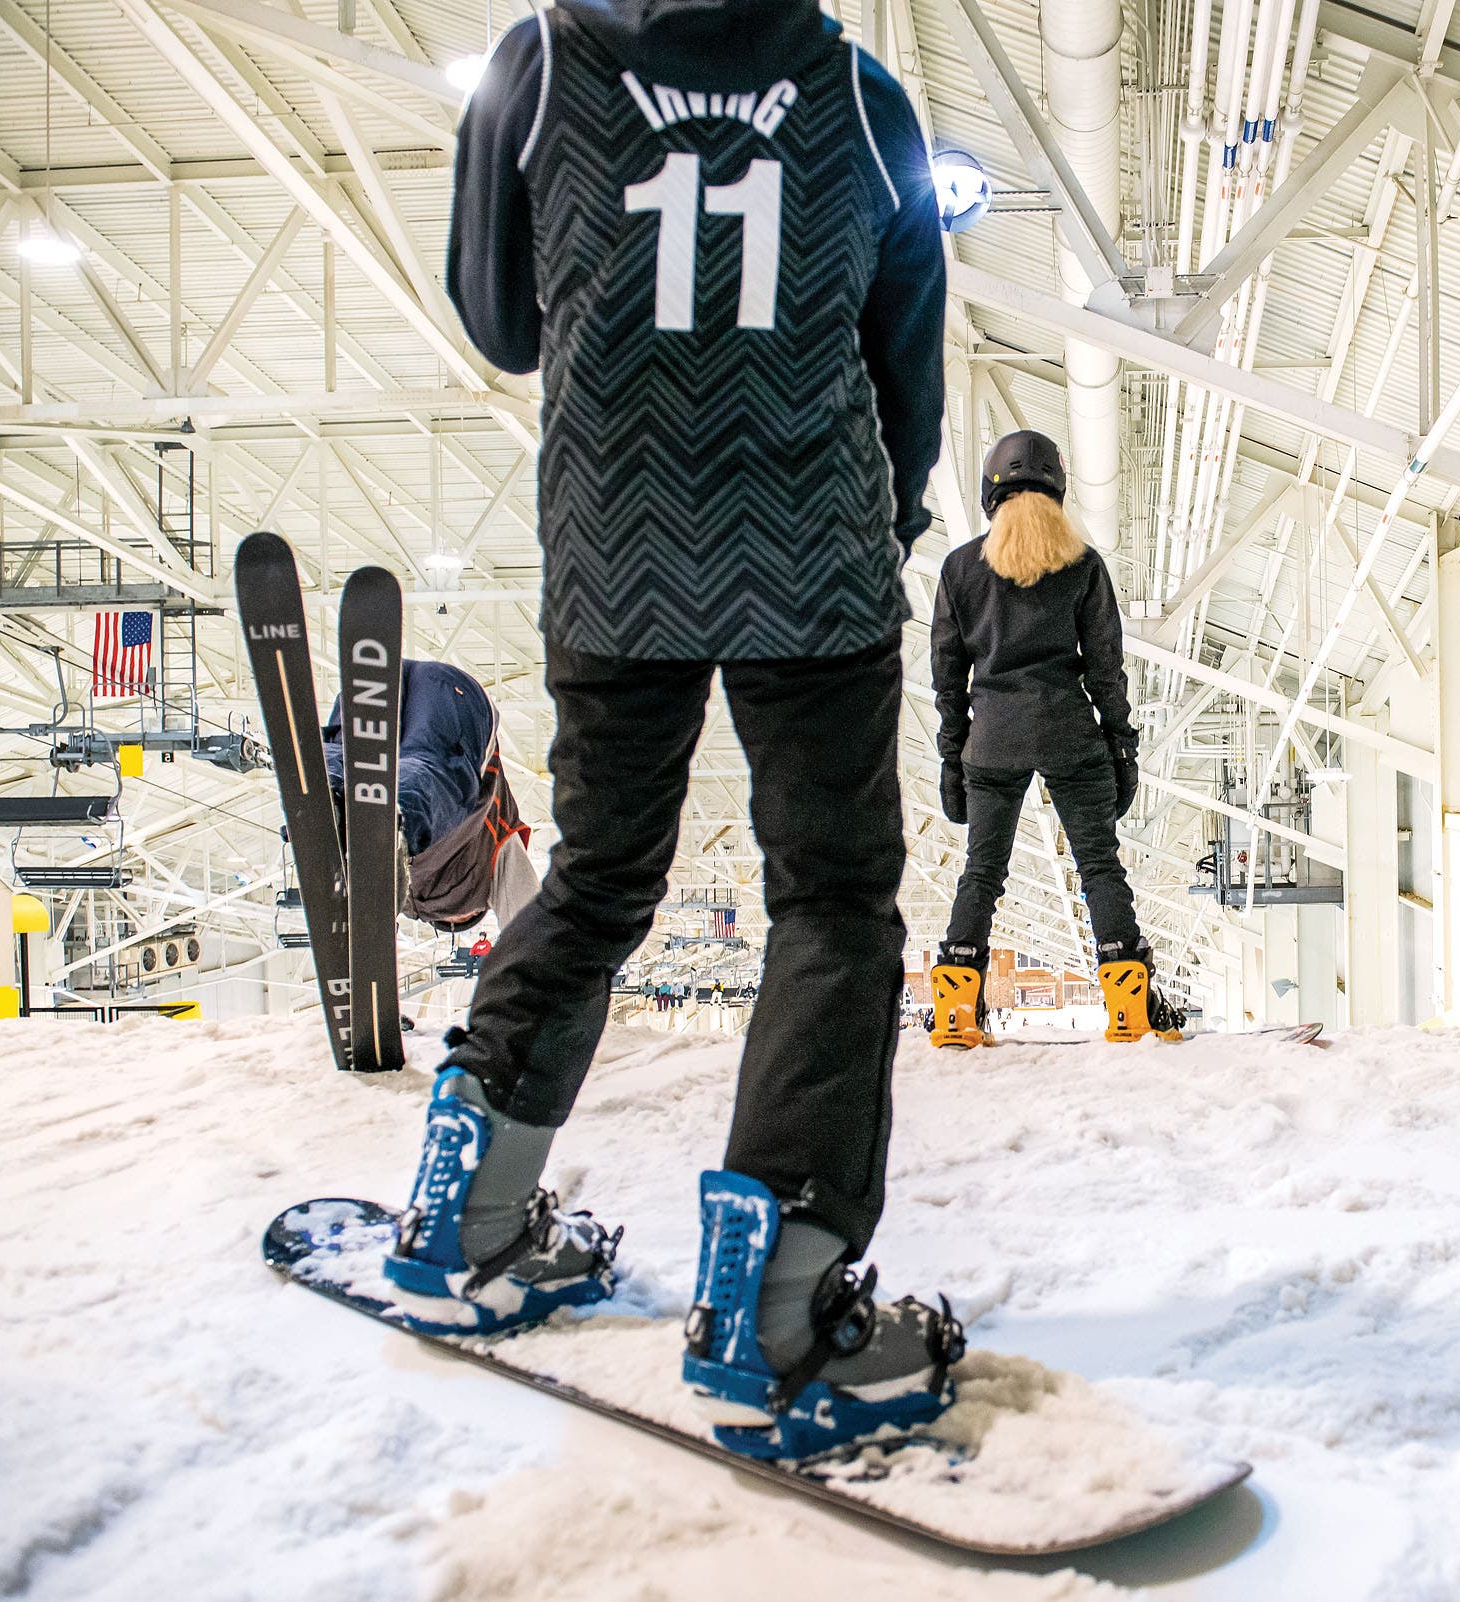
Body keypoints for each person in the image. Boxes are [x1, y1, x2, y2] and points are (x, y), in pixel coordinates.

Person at [377, 0, 962, 1462]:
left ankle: (470, 1214)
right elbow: (911, 362)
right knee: (829, 901)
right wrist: (875, 521)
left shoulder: (539, 60)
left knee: (599, 875)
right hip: (809, 553)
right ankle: (780, 1308)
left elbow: (505, 324)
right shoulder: (860, 92)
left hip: (615, 542)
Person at [928, 431, 1187, 1048]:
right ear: (1058, 490)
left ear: (992, 492)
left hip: (991, 740)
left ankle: (955, 1017)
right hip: (1070, 732)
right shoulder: (1083, 564)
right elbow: (1105, 668)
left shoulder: (961, 568)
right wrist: (1122, 745)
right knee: (1099, 866)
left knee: (981, 874)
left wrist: (951, 754)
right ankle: (1128, 1013)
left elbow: (946, 674)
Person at [323, 659, 538, 932]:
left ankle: (330, 790)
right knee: (433, 777)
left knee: (351, 760)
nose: (457, 917)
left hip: (384, 686)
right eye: (464, 918)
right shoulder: (486, 873)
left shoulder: (403, 894)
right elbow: (525, 920)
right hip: (455, 700)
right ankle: (390, 815)